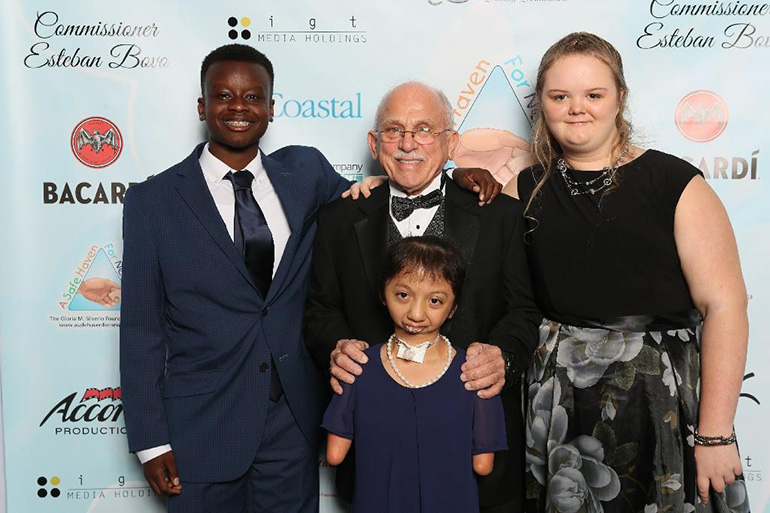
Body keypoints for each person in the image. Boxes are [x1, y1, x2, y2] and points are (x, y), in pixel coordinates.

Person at [120, 44, 500, 512]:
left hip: (290, 427)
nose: (239, 107)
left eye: (254, 97)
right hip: (201, 427)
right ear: (201, 106)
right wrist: (150, 440)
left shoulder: (305, 173)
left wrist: (457, 173)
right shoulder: (152, 202)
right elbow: (140, 331)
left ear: (271, 108)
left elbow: (401, 187)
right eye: (223, 95)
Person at [501, 32, 750, 512]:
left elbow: (725, 307)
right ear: (543, 105)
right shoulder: (523, 189)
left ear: (620, 98)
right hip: (555, 403)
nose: (577, 108)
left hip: (661, 402)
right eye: (560, 97)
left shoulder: (675, 183)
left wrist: (715, 436)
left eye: (594, 94)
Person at [305, 81, 542, 512]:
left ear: (451, 143)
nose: (408, 143)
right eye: (394, 130)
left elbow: (524, 311)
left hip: (474, 453)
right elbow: (320, 308)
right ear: (375, 144)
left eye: (424, 129)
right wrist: (335, 348)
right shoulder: (338, 219)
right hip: (377, 460)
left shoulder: (501, 217)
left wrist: (502, 359)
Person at [322, 236, 508, 513]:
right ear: (382, 294)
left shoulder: (357, 367)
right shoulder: (475, 373)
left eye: (434, 300)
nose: (416, 313)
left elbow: (335, 455)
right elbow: (483, 464)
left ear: (454, 307)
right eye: (403, 295)